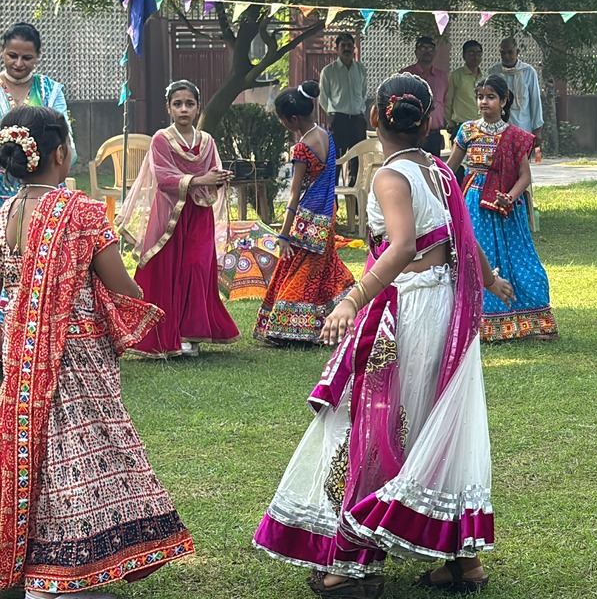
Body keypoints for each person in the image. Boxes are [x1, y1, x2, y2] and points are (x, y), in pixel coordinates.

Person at [254, 73, 515, 597]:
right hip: (443, 307)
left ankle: (348, 564)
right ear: (427, 121)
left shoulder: (391, 176)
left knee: (370, 424)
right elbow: (462, 236)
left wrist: (352, 298)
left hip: (411, 308)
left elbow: (400, 247)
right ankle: (461, 563)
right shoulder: (439, 170)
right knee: (432, 420)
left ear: (375, 117)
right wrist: (490, 280)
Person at [0, 106, 194, 598]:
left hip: (22, 349)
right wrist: (139, 297)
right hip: (77, 351)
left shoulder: (6, 214)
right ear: (60, 153)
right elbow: (121, 284)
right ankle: (73, 569)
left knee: (38, 450)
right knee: (84, 452)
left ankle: (35, 562)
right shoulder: (81, 210)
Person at [116, 80, 239, 358]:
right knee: (168, 270)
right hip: (170, 215)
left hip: (199, 214)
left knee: (197, 266)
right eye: (178, 104)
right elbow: (163, 179)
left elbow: (212, 173)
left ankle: (190, 332)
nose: (184, 109)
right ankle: (165, 335)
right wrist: (201, 179)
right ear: (168, 108)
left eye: (189, 104)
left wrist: (218, 179)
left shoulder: (206, 141)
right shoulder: (161, 139)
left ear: (198, 107)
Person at [447, 75, 558, 342]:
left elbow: (524, 176)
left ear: (504, 100)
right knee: (479, 258)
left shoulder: (515, 137)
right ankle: (480, 323)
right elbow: (450, 169)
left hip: (507, 208)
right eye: (480, 97)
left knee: (520, 260)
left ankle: (532, 322)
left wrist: (509, 197)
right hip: (475, 204)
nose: (484, 102)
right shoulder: (467, 131)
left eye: (491, 97)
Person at [254, 80, 355, 345]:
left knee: (300, 272)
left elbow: (294, 193)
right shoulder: (326, 135)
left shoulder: (302, 148)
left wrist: (284, 234)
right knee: (325, 269)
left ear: (293, 119)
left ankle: (287, 327)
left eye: (281, 119)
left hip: (307, 218)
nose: (281, 123)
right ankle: (332, 319)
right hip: (327, 214)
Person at [0, 23, 74, 201]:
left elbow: (66, 140)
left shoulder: (50, 90)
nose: (18, 63)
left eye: (27, 58)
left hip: (43, 188)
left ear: (38, 56)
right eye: (12, 56)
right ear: (2, 51)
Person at [318, 32, 369, 182]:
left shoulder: (361, 70)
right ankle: (332, 194)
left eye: (349, 45)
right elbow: (323, 97)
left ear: (354, 48)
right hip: (338, 120)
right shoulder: (329, 71)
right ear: (337, 49)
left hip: (357, 120)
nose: (347, 48)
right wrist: (332, 114)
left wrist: (359, 109)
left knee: (357, 160)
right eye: (343, 45)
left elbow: (364, 93)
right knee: (336, 159)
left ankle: (354, 193)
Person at [400, 35, 449, 157]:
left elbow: (445, 101)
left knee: (433, 166)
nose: (426, 51)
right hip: (412, 132)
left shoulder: (442, 76)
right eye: (422, 48)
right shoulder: (406, 75)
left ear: (435, 52)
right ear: (416, 52)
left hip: (434, 133)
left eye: (430, 48)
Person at [490, 38, 543, 145]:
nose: (506, 56)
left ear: (517, 52)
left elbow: (535, 101)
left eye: (510, 52)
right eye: (503, 53)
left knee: (522, 155)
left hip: (524, 127)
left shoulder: (528, 71)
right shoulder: (494, 72)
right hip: (500, 128)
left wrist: (537, 129)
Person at [447, 40, 484, 133]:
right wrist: (450, 124)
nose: (475, 57)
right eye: (471, 53)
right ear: (464, 56)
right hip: (462, 126)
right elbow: (448, 102)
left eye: (478, 53)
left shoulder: (485, 77)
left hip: (482, 126)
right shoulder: (455, 76)